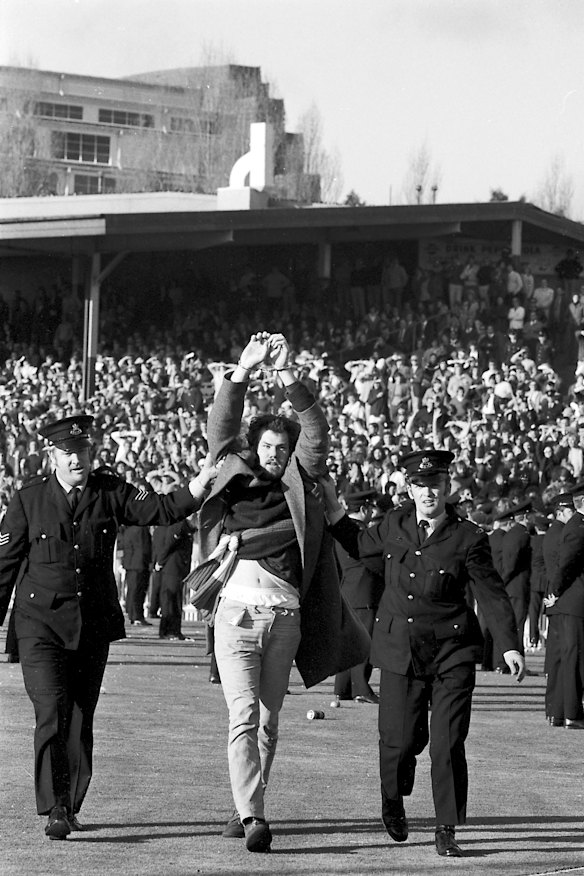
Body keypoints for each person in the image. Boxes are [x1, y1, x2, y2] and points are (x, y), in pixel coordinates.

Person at [0, 414, 216, 840]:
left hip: (92, 624)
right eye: (68, 453)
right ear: (52, 456)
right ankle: (55, 806)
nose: (77, 459)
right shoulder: (29, 499)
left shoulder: (111, 491)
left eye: (83, 451)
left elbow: (163, 509)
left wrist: (201, 482)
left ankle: (72, 801)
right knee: (51, 711)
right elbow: (4, 564)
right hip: (39, 622)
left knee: (81, 717)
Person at [198, 331, 369, 854]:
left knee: (270, 722)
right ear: (256, 448)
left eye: (282, 448)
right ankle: (253, 818)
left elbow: (316, 429)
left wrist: (287, 375)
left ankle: (249, 804)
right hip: (236, 616)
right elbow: (221, 429)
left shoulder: (303, 480)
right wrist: (244, 371)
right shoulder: (236, 472)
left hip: (287, 619)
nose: (274, 454)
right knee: (244, 714)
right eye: (267, 446)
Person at [320, 448, 524, 858]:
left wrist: (509, 644)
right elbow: (360, 545)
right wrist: (332, 509)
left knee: (448, 743)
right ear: (408, 489)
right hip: (400, 648)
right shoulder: (394, 523)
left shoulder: (469, 537)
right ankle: (392, 799)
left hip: (452, 650)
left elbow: (491, 593)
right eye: (420, 485)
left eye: (435, 484)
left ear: (448, 488)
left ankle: (446, 827)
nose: (428, 491)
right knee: (397, 742)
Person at [333, 489, 384, 705]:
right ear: (363, 509)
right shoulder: (362, 533)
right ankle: (361, 688)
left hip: (348, 591)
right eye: (370, 508)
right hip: (366, 593)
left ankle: (343, 687)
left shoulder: (341, 532)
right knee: (365, 644)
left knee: (348, 643)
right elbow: (374, 561)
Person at [543, 482, 584, 729]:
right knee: (574, 658)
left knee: (568, 657)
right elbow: (566, 564)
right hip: (573, 600)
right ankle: (572, 712)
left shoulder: (574, 527)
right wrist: (555, 592)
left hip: (569, 600)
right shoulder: (577, 528)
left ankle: (562, 711)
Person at [542, 492, 574, 725]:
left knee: (558, 660)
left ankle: (555, 709)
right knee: (562, 659)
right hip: (560, 599)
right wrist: (555, 594)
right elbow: (561, 568)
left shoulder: (555, 532)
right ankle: (559, 708)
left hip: (557, 599)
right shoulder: (562, 533)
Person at [496, 500, 532, 671]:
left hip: (512, 585)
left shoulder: (512, 534)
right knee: (517, 624)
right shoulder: (521, 535)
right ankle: (515, 663)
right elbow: (512, 563)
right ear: (525, 517)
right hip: (517, 586)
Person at [152, 511, 195, 641]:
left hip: (178, 568)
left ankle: (174, 630)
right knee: (170, 600)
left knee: (175, 600)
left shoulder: (186, 525)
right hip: (172, 567)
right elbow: (169, 544)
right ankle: (169, 631)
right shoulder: (179, 525)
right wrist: (160, 561)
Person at [120, 522, 152, 626]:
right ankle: (137, 615)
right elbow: (144, 547)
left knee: (131, 590)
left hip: (130, 563)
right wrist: (148, 562)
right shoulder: (141, 529)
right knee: (138, 591)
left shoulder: (128, 530)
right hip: (140, 564)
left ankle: (131, 613)